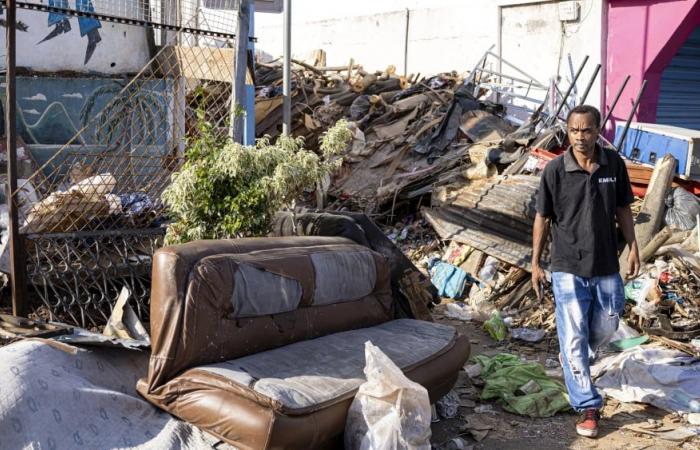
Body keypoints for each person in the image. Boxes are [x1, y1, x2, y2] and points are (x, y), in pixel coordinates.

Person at [531, 105, 640, 438]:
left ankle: (572, 355)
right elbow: (542, 217)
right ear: (568, 131)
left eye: (587, 130)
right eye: (575, 130)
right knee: (575, 332)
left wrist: (633, 246)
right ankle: (588, 404)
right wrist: (535, 262)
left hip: (606, 262)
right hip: (567, 264)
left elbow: (622, 207)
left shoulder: (613, 165)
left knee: (607, 323)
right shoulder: (555, 170)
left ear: (598, 131)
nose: (581, 136)